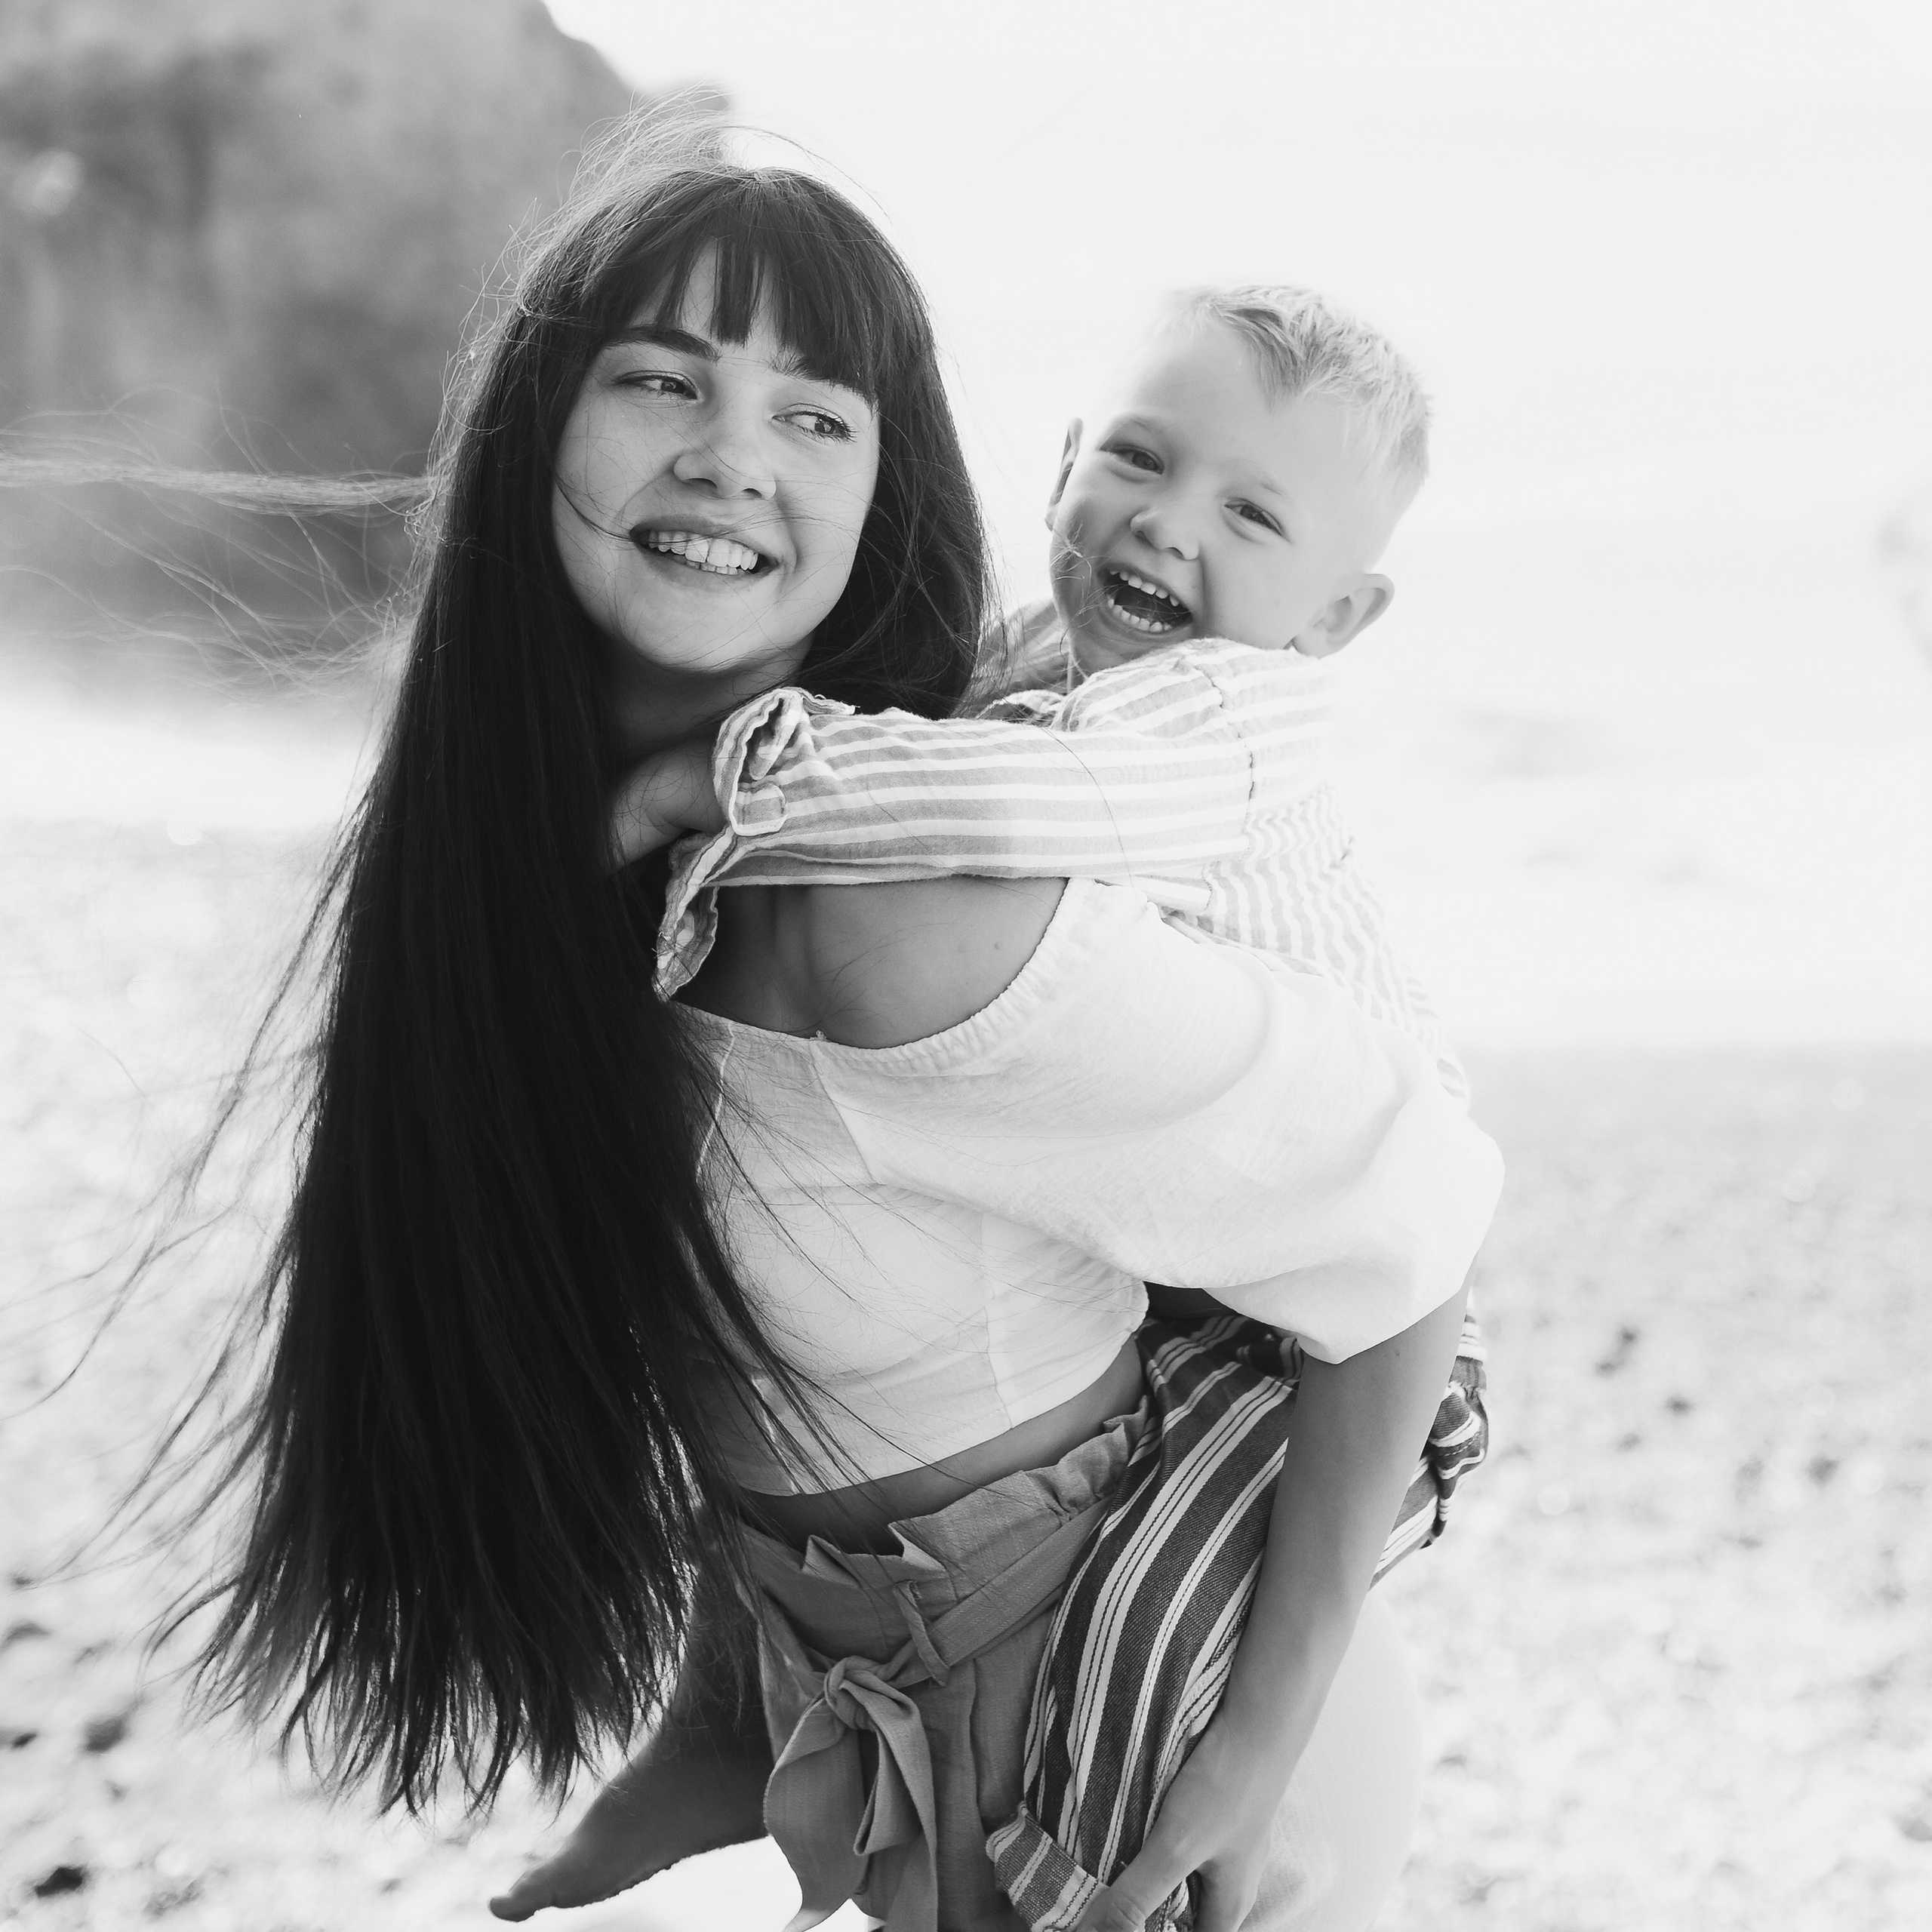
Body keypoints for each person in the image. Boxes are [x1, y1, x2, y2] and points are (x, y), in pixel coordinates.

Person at [180, 120, 1499, 1932]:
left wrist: (1252, 1751)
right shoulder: (554, 865)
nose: (731, 454)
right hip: (889, 1721)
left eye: (812, 414)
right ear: (533, 422)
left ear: (880, 481)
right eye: (661, 379)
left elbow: (1413, 1218)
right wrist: (721, 1708)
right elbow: (736, 1320)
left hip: (1153, 1744)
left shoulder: (897, 895)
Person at [580, 284, 1489, 1929]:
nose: (1167, 522)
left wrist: (704, 782)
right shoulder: (1030, 662)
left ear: (1336, 614)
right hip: (1237, 1250)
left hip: (1349, 1303)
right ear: (1064, 464)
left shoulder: (1212, 717)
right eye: (1138, 458)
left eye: (1252, 515)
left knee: (1147, 1619)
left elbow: (998, 803)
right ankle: (736, 1726)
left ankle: (1186, 1793)